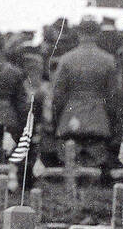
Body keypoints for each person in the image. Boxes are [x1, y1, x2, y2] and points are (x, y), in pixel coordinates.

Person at [50, 15, 118, 178]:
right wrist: (110, 119)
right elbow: (113, 96)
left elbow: (58, 95)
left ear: (79, 33)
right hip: (98, 119)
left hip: (71, 117)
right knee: (96, 169)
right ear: (98, 33)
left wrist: (56, 119)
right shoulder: (108, 60)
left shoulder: (66, 59)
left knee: (70, 168)